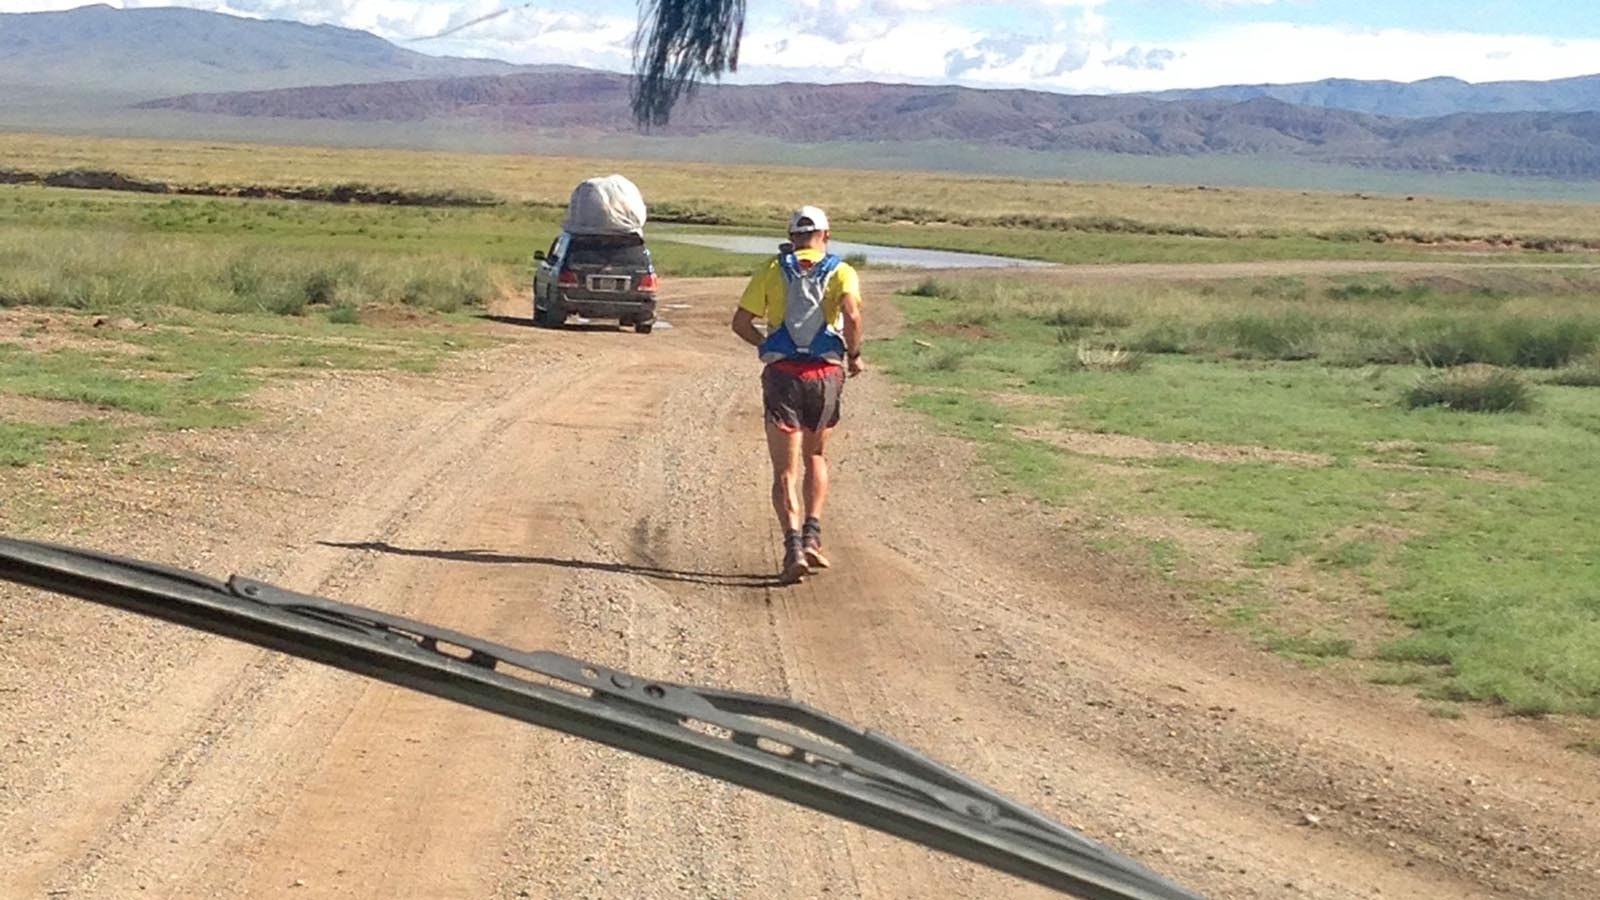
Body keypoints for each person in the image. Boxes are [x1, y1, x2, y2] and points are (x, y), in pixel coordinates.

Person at [731, 205, 865, 584]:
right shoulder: (842, 270)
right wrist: (853, 356)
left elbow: (740, 323)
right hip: (826, 375)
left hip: (783, 376)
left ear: (792, 238)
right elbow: (852, 317)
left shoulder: (773, 270)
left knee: (784, 470)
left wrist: (767, 346)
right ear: (826, 235)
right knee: (816, 455)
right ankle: (812, 536)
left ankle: (792, 549)